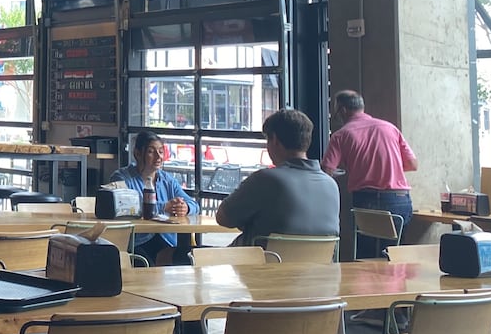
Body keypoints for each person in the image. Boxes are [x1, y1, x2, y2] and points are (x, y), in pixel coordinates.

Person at [214, 110, 340, 248]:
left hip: (263, 266)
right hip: (319, 267)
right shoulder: (331, 185)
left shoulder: (266, 179)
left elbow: (223, 217)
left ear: (274, 139)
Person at [322, 90, 418, 258]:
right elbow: (412, 164)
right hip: (398, 198)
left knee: (366, 260)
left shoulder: (340, 136)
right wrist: (387, 167)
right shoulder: (390, 128)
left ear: (343, 110)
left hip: (366, 200)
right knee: (394, 256)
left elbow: (326, 172)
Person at [111, 130, 199, 265]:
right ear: (138, 154)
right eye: (151, 152)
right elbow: (126, 207)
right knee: (147, 265)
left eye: (161, 151)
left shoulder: (168, 180)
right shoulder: (122, 177)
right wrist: (164, 207)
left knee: (189, 259)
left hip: (166, 241)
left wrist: (185, 208)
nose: (158, 157)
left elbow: (193, 204)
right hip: (135, 243)